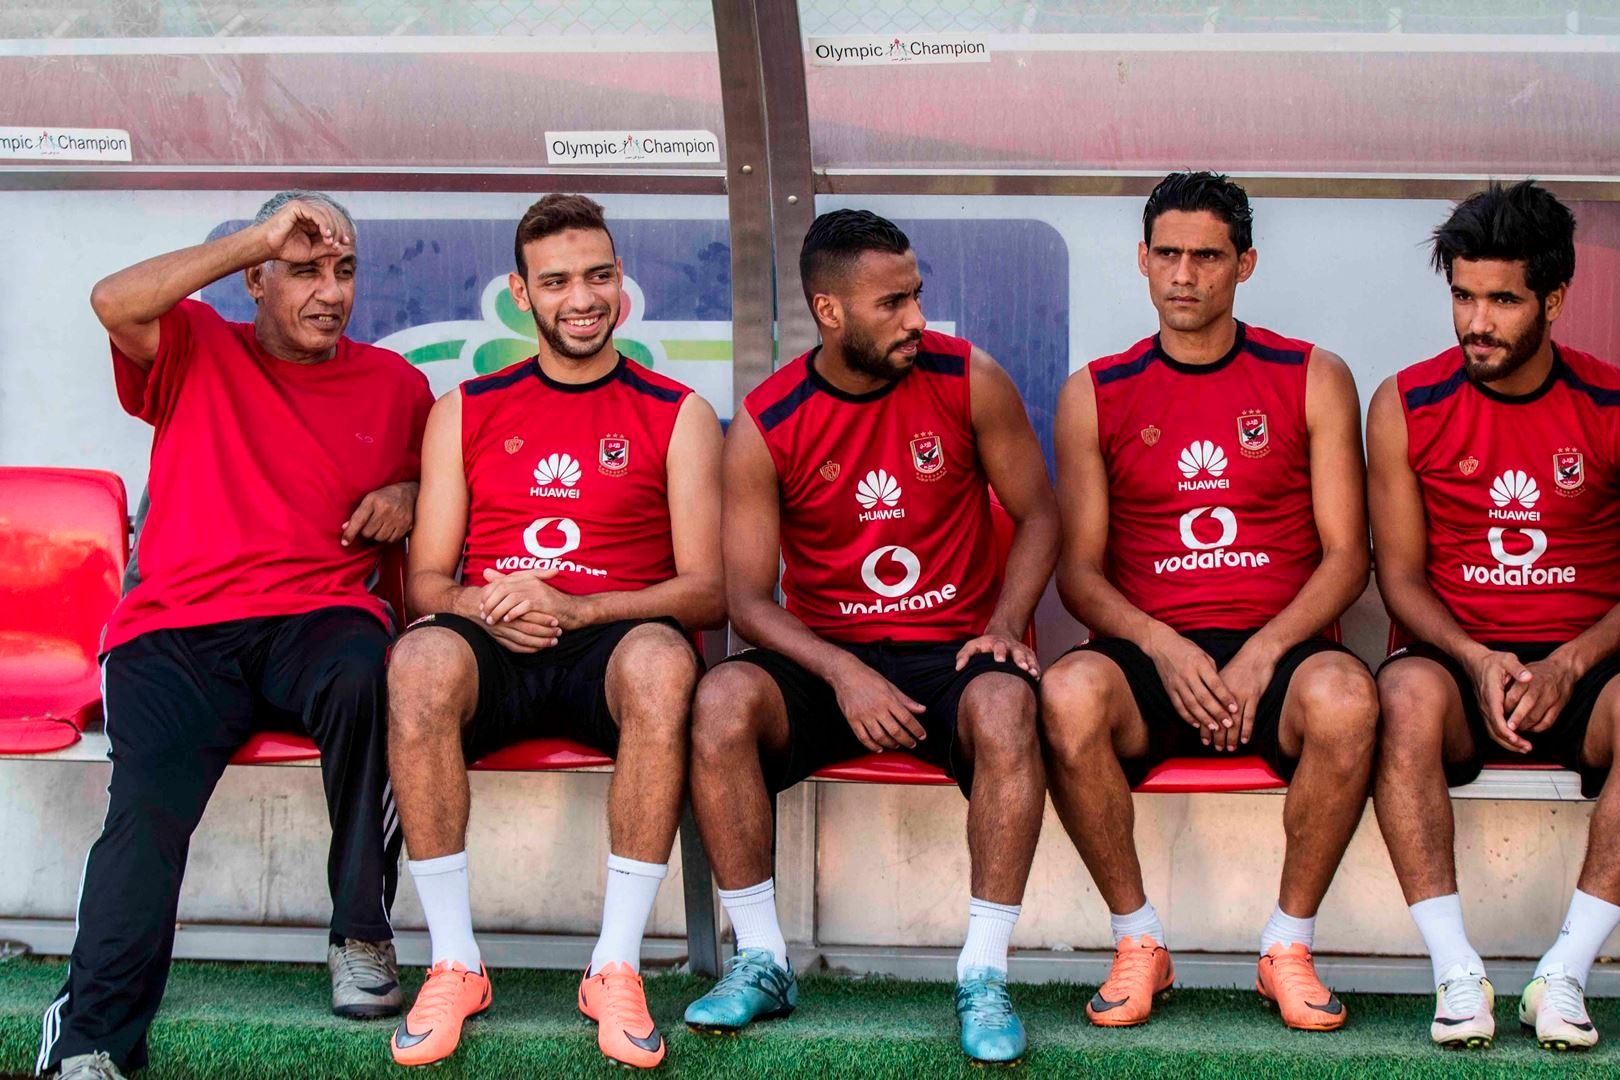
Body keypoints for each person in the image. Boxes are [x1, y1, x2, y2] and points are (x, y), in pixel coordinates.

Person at [37, 192, 433, 1080]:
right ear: (254, 277)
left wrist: (413, 495)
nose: (329, 291)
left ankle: (360, 935)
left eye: (343, 269)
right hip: (178, 629)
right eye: (302, 269)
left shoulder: (398, 386)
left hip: (317, 621)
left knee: (377, 670)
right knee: (144, 811)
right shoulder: (192, 345)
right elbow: (112, 300)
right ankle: (93, 1041)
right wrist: (258, 235)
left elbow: (456, 500)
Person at [682, 209, 1059, 1065]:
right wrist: (844, 672)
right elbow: (745, 599)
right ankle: (764, 959)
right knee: (722, 697)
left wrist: (1004, 625)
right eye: (892, 304)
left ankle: (984, 973)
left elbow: (1040, 515)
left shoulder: (970, 379)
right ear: (830, 311)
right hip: (828, 658)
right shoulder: (770, 419)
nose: (916, 320)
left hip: (950, 651)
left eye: (917, 296)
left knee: (1004, 706)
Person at [384, 194, 722, 1070]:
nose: (583, 297)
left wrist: (580, 610)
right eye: (559, 280)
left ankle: (613, 965)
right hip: (494, 641)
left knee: (660, 662)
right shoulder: (466, 408)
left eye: (599, 276)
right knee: (417, 659)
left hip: (609, 643)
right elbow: (425, 583)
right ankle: (455, 961)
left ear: (623, 285)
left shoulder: (675, 411)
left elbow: (707, 591)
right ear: (520, 292)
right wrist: (485, 600)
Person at [1039, 171, 1376, 1032]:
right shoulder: (1095, 392)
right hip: (1156, 654)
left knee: (1346, 698)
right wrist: (1163, 645)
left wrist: (1262, 651)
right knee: (1068, 691)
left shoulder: (1312, 376)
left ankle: (1287, 948)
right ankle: (1139, 938)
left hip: (1282, 647)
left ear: (1246, 264)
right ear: (1142, 262)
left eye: (1208, 256)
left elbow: (1348, 560)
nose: (1185, 274)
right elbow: (1078, 573)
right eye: (1168, 254)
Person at [1369, 180, 1620, 1052]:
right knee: (1397, 699)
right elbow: (1398, 577)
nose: (1477, 321)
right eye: (1463, 296)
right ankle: (1457, 974)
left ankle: (1565, 975)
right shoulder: (1406, 404)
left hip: (1586, 668)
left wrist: (1573, 663)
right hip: (1457, 662)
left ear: (1553, 299)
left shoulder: (1612, 406)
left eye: (1503, 300)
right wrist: (1476, 657)